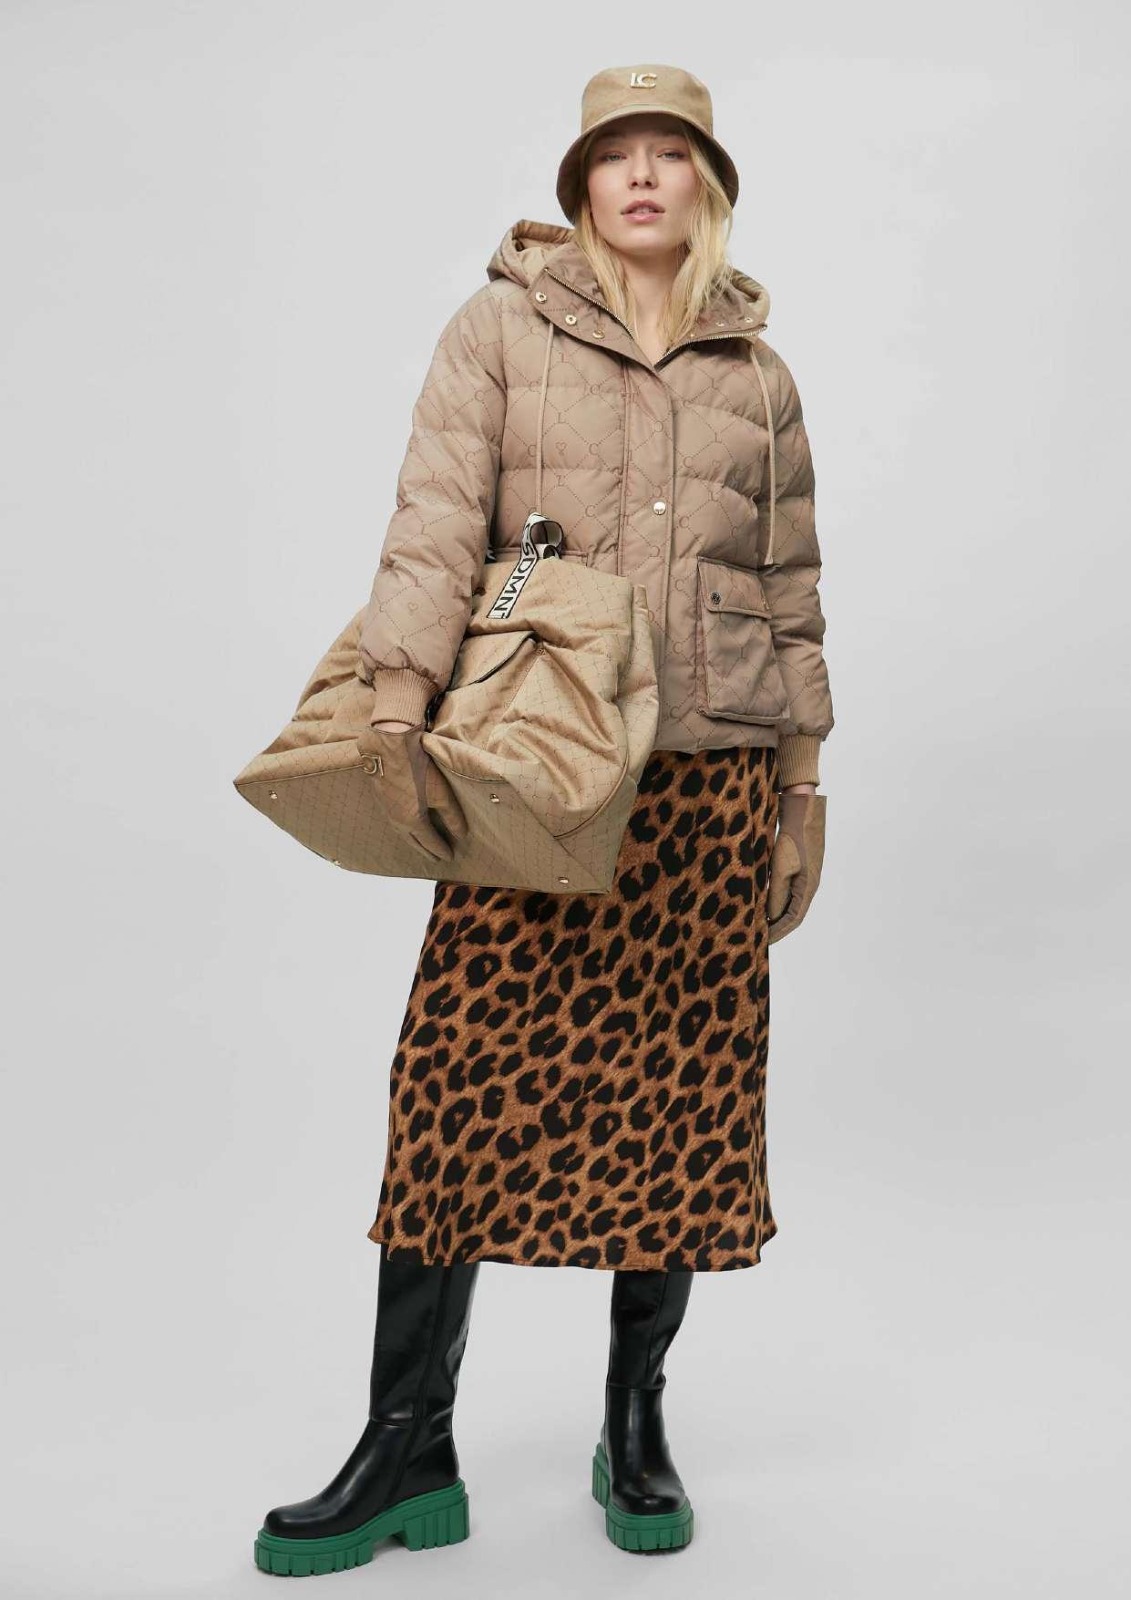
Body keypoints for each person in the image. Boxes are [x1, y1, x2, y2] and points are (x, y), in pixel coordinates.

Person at [254, 62, 833, 1575]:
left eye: (670, 155)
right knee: (454, 1091)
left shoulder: (760, 375)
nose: (641, 176)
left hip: (709, 781)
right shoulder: (500, 328)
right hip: (538, 773)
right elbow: (434, 521)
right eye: (614, 155)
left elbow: (789, 587)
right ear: (580, 184)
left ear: (706, 185)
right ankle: (406, 1444)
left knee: (681, 1109)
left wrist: (802, 786)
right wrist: (396, 709)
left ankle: (634, 1424)